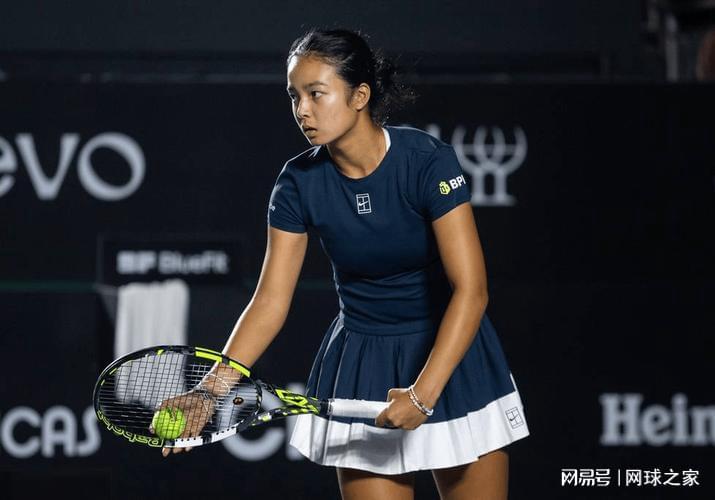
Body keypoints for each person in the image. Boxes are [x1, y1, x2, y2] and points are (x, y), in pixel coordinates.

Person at [163, 28, 530, 500]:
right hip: (364, 362)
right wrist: (210, 391)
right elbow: (270, 301)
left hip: (450, 356)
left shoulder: (427, 161)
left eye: (316, 94)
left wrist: (423, 394)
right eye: (294, 96)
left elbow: (471, 290)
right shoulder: (297, 183)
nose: (302, 110)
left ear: (360, 96)